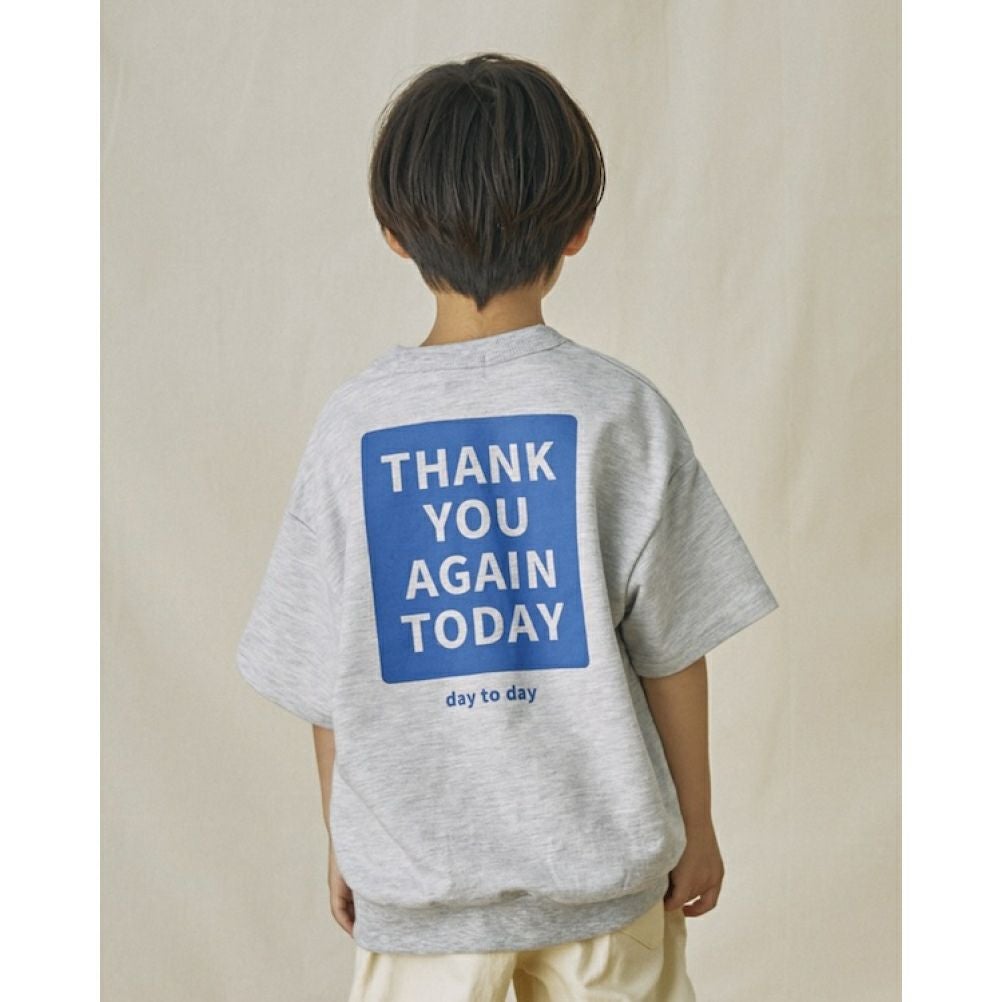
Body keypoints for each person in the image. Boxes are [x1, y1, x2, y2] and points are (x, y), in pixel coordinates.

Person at [237, 51, 780, 1002]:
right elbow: (673, 653)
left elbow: (329, 676)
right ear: (578, 228)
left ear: (393, 233)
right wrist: (696, 825)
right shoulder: (620, 412)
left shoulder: (351, 429)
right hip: (604, 887)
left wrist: (345, 840)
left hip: (419, 892)